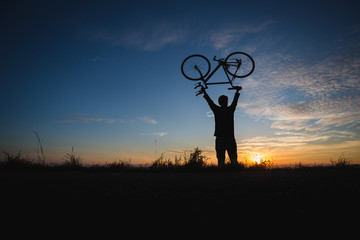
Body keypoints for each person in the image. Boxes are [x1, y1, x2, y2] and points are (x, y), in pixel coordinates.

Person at [200, 87, 240, 167]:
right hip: (229, 137)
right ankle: (236, 175)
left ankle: (222, 175)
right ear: (226, 102)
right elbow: (235, 101)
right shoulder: (230, 110)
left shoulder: (217, 110)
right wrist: (237, 91)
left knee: (221, 159)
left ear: (219, 102)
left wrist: (205, 93)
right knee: (233, 159)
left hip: (220, 137)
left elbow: (210, 102)